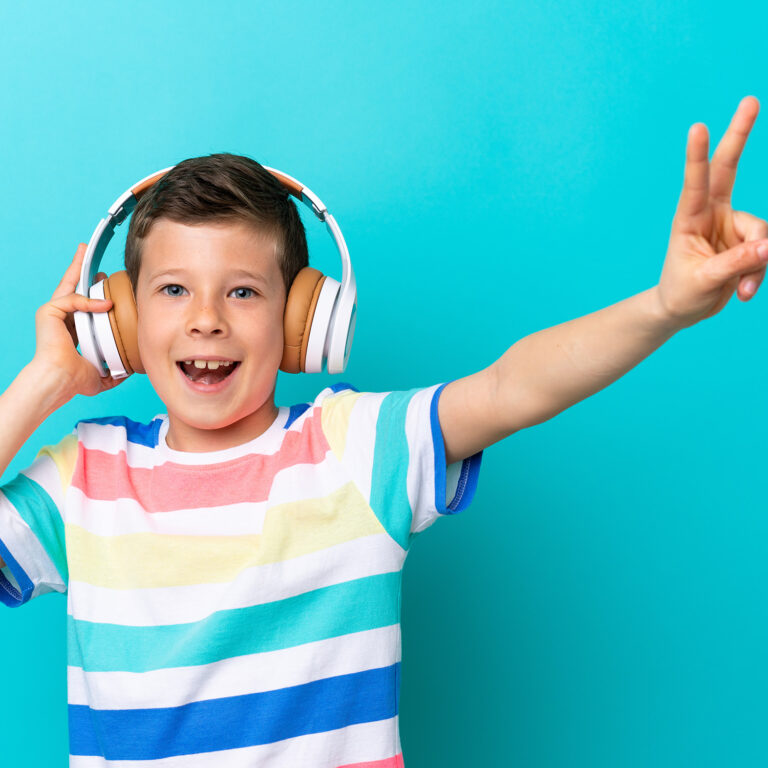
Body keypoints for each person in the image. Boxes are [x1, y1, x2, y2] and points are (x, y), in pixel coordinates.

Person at [0, 96, 766, 767]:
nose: (207, 318)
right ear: (123, 320)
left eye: (242, 290)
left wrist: (663, 307)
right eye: (172, 290)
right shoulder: (84, 478)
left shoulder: (354, 448)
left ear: (303, 321)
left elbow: (511, 386)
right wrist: (45, 383)